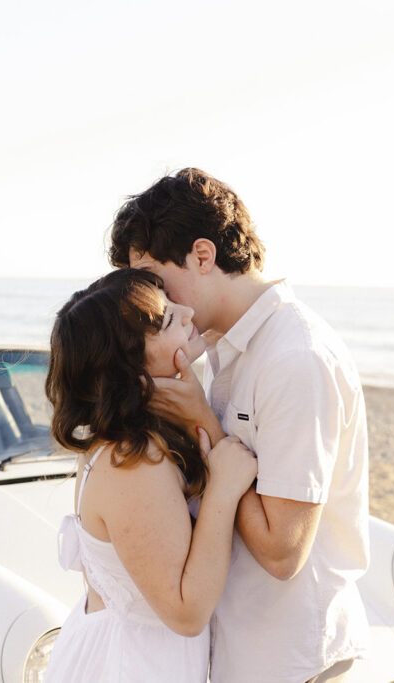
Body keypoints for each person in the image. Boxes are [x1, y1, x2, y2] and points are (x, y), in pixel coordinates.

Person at [109, 168, 370, 683]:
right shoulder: (221, 348)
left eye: (156, 283)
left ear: (202, 256)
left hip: (294, 659)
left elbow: (282, 551)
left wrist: (202, 419)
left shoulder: (295, 358)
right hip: (245, 653)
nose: (153, 303)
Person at [44, 268, 257, 682]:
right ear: (128, 364)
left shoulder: (111, 439)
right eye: (166, 320)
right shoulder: (133, 461)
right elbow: (186, 611)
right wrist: (224, 492)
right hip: (134, 667)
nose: (187, 311)